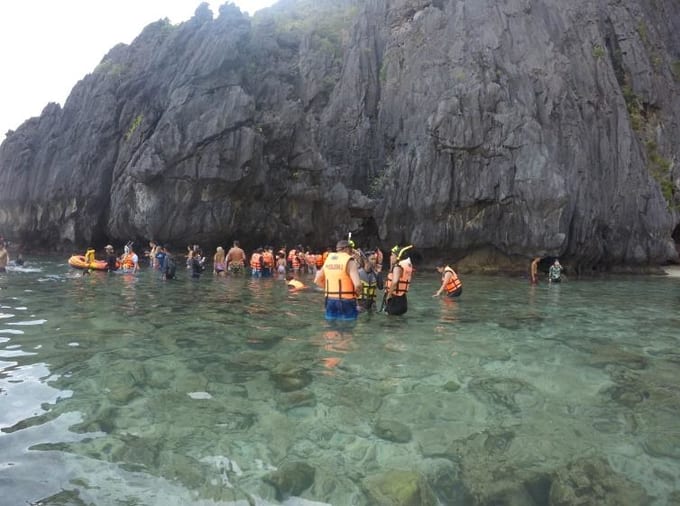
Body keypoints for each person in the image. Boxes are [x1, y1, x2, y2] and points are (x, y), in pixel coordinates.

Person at [314, 239, 362, 320]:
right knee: (348, 327)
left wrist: (330, 289)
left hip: (330, 300)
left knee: (331, 327)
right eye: (351, 250)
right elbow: (358, 285)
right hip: (347, 300)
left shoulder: (329, 259)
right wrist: (358, 295)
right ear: (346, 249)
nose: (351, 253)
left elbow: (317, 280)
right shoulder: (349, 260)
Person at [383, 245, 414, 316]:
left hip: (395, 299)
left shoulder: (398, 267)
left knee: (391, 323)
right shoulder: (404, 265)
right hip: (402, 299)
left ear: (398, 257)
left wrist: (389, 295)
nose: (390, 257)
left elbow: (394, 282)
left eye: (392, 255)